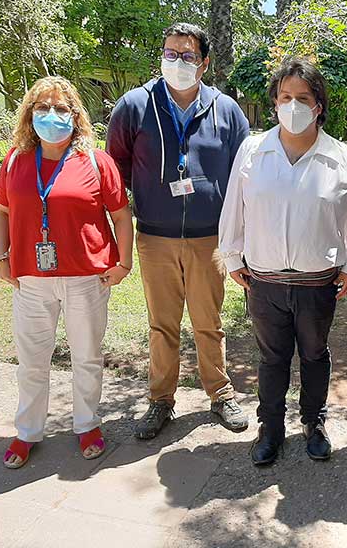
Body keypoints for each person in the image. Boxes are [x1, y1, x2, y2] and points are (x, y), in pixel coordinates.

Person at [107, 22, 250, 438]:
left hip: (210, 240)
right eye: (170, 53)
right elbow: (116, 170)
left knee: (209, 321)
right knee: (162, 324)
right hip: (155, 237)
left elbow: (244, 173)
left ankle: (220, 393)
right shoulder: (134, 106)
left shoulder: (226, 109)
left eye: (187, 55)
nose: (177, 62)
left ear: (204, 63)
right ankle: (160, 400)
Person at [219, 58, 347, 465]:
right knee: (272, 357)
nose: (293, 105)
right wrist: (231, 255)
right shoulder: (253, 149)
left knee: (315, 355)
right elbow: (235, 207)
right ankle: (271, 428)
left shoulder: (341, 156)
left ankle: (314, 423)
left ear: (319, 106)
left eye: (303, 98)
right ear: (274, 102)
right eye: (285, 97)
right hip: (264, 280)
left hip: (319, 281)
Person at [0, 76, 133, 468]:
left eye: (60, 109)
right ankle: (27, 432)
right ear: (29, 114)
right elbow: (2, 211)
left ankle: (87, 424)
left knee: (86, 356)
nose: (51, 116)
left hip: (86, 277)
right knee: (32, 359)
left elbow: (121, 215)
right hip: (31, 280)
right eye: (42, 108)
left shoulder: (95, 161)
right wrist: (0, 257)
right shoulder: (16, 160)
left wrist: (124, 261)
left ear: (75, 116)